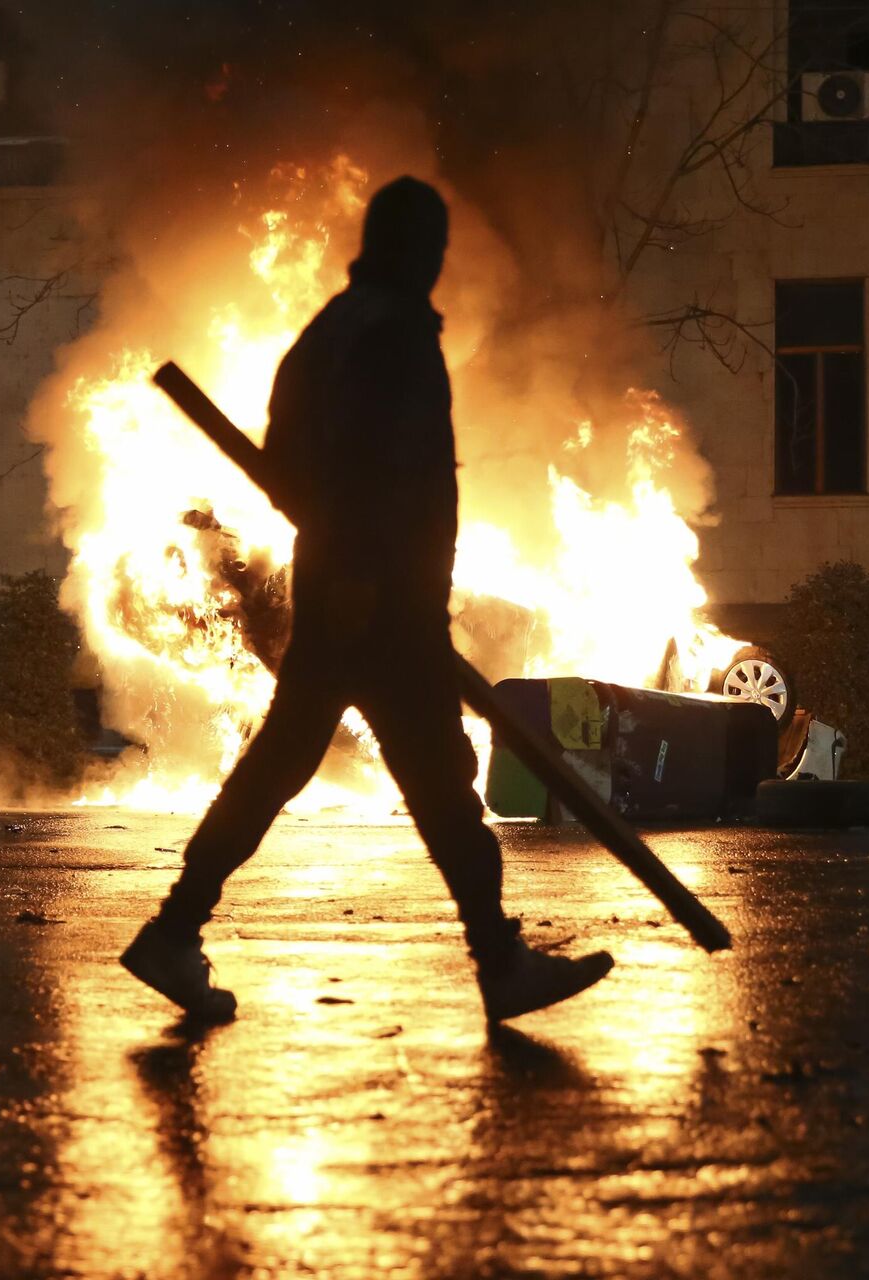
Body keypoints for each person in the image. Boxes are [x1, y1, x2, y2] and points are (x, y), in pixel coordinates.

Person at [121, 176, 613, 1024]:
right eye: (433, 248)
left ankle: (174, 930)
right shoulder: (390, 336)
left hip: (351, 589)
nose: (437, 264)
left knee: (301, 769)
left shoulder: (327, 334)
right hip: (376, 597)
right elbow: (378, 475)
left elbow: (295, 467)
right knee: (434, 783)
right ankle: (499, 964)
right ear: (410, 247)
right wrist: (383, 591)